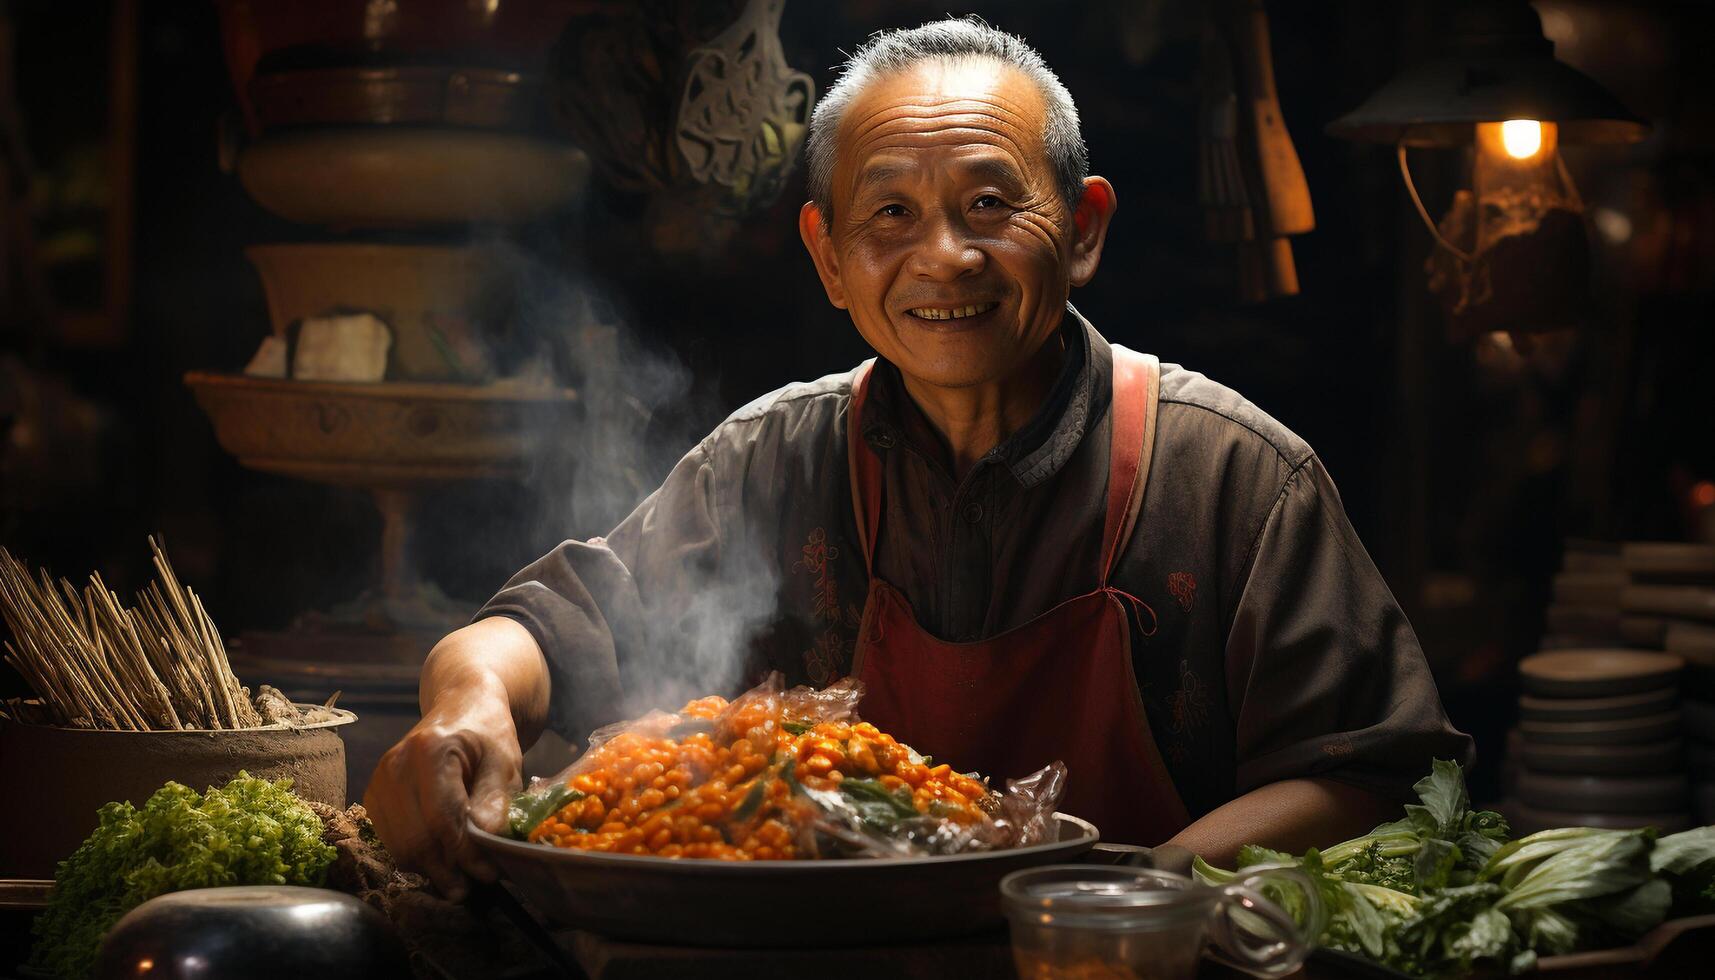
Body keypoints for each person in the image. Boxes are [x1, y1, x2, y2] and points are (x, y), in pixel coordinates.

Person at [365, 16, 1472, 900]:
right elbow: (544, 629)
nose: (943, 255)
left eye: (990, 203)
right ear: (829, 258)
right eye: (889, 211)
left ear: (1081, 228)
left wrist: (1116, 894)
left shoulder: (1233, 475)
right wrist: (464, 702)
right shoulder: (772, 456)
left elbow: (1373, 771)